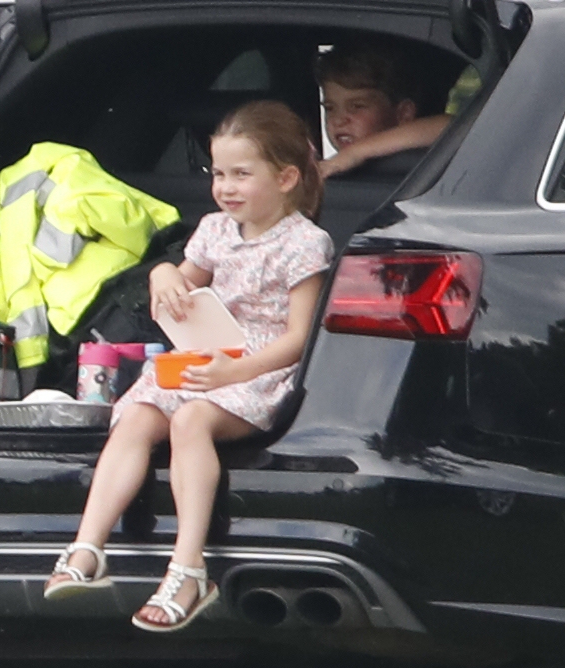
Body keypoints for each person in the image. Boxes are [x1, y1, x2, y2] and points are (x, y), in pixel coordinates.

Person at [43, 100, 334, 633]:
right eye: (218, 173)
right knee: (135, 417)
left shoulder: (305, 244)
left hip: (258, 372)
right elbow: (182, 277)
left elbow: (299, 339)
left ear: (288, 177)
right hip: (205, 360)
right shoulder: (215, 230)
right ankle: (88, 546)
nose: (225, 186)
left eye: (242, 174)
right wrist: (163, 279)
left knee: (190, 420)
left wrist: (234, 374)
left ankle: (189, 567)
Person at [314, 41, 452, 179]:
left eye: (357, 106)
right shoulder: (332, 172)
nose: (338, 120)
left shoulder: (420, 170)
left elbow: (450, 126)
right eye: (329, 108)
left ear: (404, 113)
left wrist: (356, 153)